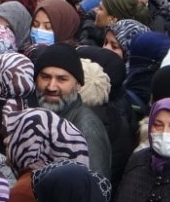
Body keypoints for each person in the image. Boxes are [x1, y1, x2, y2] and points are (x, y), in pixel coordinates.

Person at [33, 44, 111, 179]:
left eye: (62, 79)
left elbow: (94, 185)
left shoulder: (85, 127)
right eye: (45, 77)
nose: (51, 87)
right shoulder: (39, 115)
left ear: (78, 84)